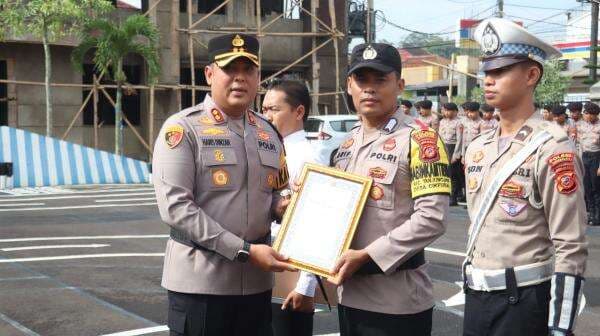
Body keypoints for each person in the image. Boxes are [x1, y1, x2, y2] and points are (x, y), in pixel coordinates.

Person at [153, 33, 296, 336]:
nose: (239, 78)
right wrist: (243, 251)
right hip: (201, 286)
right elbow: (176, 208)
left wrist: (285, 207)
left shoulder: (269, 133)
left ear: (259, 78)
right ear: (209, 74)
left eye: (248, 70)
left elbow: (273, 196)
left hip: (256, 287)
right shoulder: (183, 129)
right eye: (230, 69)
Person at [463, 18, 588, 336]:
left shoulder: (553, 146)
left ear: (532, 74)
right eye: (487, 71)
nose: (488, 81)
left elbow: (570, 245)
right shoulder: (478, 146)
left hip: (524, 300)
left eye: (501, 71)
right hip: (477, 297)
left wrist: (560, 326)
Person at [330, 42, 450, 336]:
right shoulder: (345, 146)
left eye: (380, 80)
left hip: (396, 301)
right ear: (349, 86)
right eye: (361, 80)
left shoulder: (422, 141)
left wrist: (368, 255)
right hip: (348, 294)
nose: (369, 89)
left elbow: (431, 219)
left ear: (399, 85)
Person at [262, 79, 324, 336]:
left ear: (299, 112)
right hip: (262, 264)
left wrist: (306, 285)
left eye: (274, 109)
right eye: (264, 109)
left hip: (291, 270)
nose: (266, 115)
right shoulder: (265, 149)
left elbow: (317, 223)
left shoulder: (309, 157)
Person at [579, 102, 600, 226]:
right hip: (585, 157)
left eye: (586, 113)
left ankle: (598, 215)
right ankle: (591, 214)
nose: (584, 115)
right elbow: (579, 144)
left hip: (596, 157)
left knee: (596, 188)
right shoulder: (582, 125)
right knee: (587, 188)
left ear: (593, 114)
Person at [439, 102, 464, 206]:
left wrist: (456, 155)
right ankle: (447, 194)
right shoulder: (442, 122)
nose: (446, 112)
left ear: (455, 112)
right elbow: (439, 136)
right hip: (444, 147)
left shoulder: (458, 123)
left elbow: (460, 139)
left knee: (453, 174)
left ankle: (453, 197)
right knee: (444, 173)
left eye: (449, 110)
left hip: (453, 148)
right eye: (445, 110)